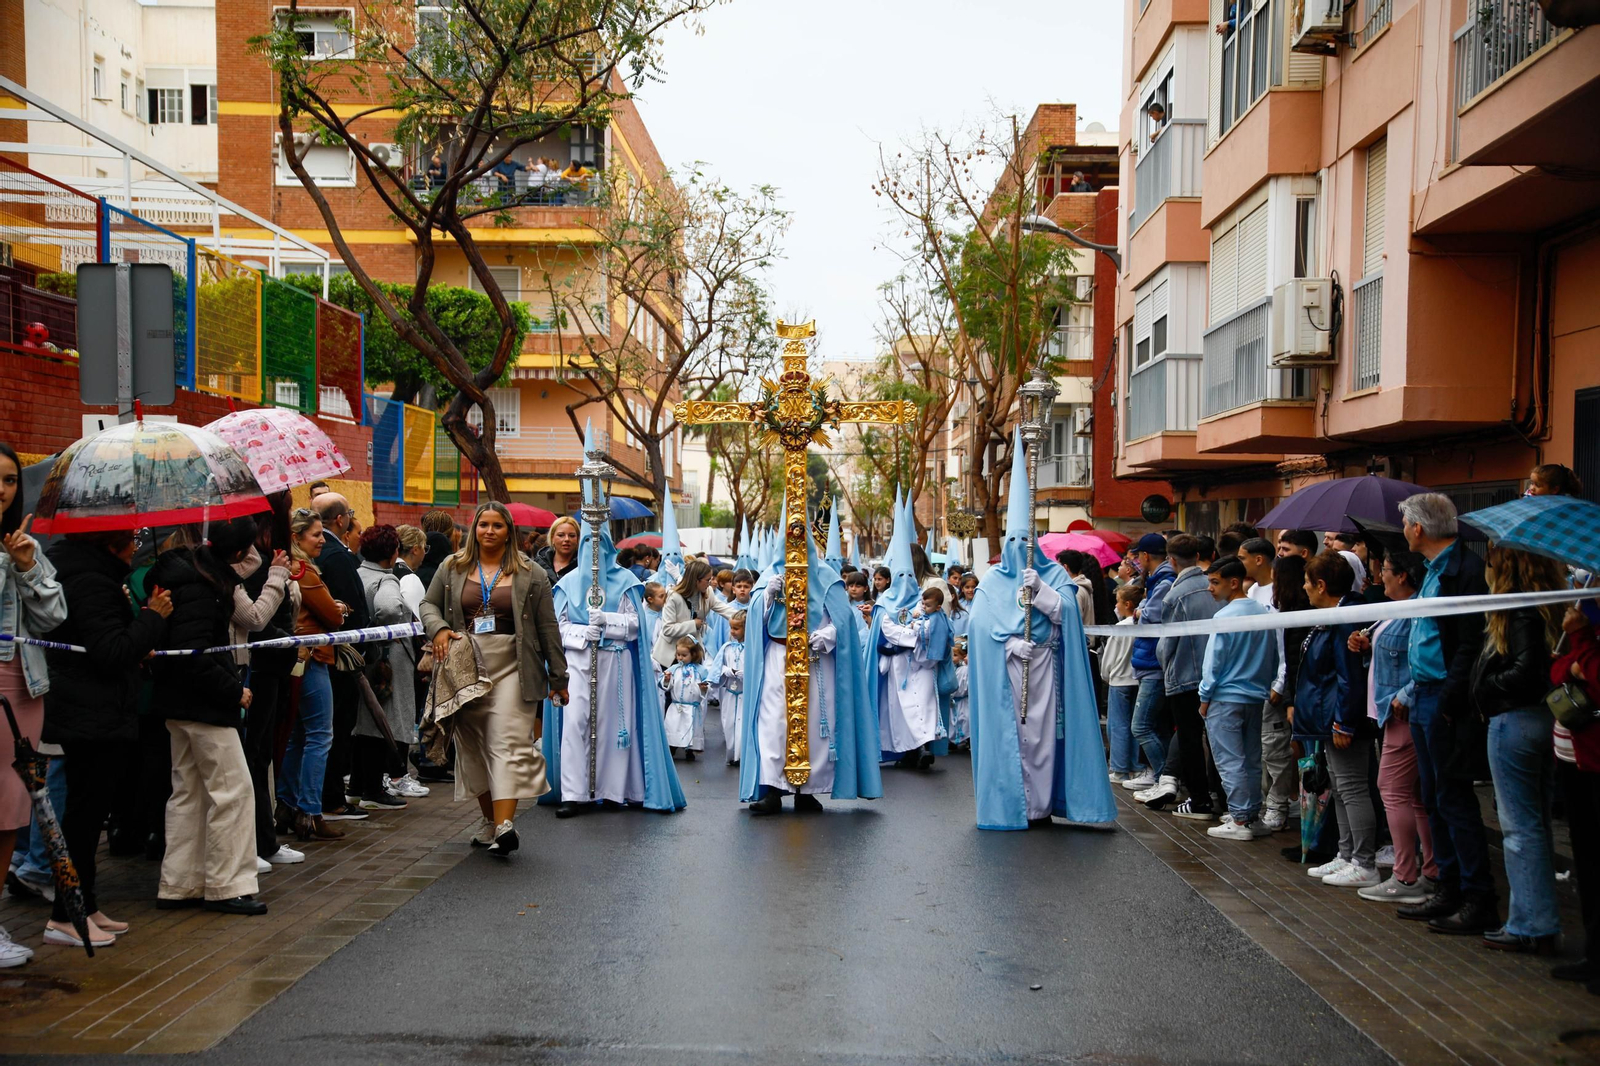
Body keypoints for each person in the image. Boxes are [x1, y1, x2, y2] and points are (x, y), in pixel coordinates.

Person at [968, 438, 1115, 830]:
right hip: (1009, 673)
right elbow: (978, 628)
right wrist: (1009, 644)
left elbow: (1069, 614)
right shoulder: (991, 582)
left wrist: (1046, 594)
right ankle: (1014, 803)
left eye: (1025, 541)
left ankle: (1043, 804)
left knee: (1044, 739)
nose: (1020, 548)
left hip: (1048, 668)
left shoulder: (1051, 575)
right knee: (1012, 738)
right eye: (1013, 541)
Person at [37, 528, 172, 948]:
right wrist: (152, 618)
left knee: (89, 814)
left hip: (95, 711)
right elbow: (110, 651)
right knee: (83, 816)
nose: (136, 546)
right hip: (91, 714)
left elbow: (107, 644)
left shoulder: (92, 574)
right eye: (129, 539)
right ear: (108, 543)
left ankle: (85, 903)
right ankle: (66, 914)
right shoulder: (91, 582)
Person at [421, 502, 569, 856]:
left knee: (509, 742)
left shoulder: (531, 572)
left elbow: (548, 627)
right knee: (474, 748)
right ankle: (489, 822)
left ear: (509, 532)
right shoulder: (452, 566)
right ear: (474, 529)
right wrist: (439, 628)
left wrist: (558, 676)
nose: (489, 531)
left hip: (515, 667)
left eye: (497, 526)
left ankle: (505, 825)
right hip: (467, 668)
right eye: (483, 525)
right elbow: (428, 605)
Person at [148, 521, 266, 915]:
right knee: (233, 791)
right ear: (237, 553)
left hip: (178, 703)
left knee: (189, 792)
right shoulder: (202, 586)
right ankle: (227, 884)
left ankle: (180, 882)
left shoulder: (188, 573)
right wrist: (234, 690)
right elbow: (195, 652)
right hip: (204, 704)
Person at [542, 496, 683, 817]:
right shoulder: (567, 584)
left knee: (615, 726)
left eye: (598, 542)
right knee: (576, 724)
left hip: (617, 666)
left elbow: (637, 626)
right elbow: (556, 629)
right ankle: (575, 793)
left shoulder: (627, 581)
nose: (593, 550)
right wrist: (582, 634)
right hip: (578, 666)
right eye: (587, 542)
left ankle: (613, 790)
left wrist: (610, 622)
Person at [1394, 493, 1497, 933]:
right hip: (1424, 694)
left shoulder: (1465, 573)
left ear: (1418, 529)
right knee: (1434, 798)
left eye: (1404, 525)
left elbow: (1469, 644)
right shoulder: (1434, 570)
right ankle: (1448, 886)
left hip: (1445, 698)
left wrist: (1453, 700)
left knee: (1454, 798)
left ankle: (1478, 896)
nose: (1403, 531)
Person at [739, 508, 877, 815]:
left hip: (816, 662)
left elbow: (843, 622)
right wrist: (765, 596)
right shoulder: (768, 577)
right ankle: (773, 789)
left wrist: (826, 636)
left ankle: (806, 790)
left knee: (814, 726)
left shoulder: (827, 578)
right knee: (773, 723)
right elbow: (754, 625)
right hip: (777, 657)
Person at [1471, 546, 1564, 953]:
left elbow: (1526, 672)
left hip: (1515, 721)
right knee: (1535, 824)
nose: (1486, 567)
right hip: (1541, 720)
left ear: (1505, 567)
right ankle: (1536, 918)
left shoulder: (1519, 612)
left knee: (1520, 827)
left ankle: (1531, 924)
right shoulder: (1549, 608)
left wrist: (1486, 688)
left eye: (1491, 561)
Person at [0, 443, 67, 966]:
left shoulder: (26, 544)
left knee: (12, 807)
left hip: (25, 688)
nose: (1, 490)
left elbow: (53, 617)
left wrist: (24, 567)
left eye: (7, 480)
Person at [1348, 553, 1438, 902]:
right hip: (1392, 712)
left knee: (1392, 789)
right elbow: (1392, 656)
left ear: (1402, 575)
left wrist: (1406, 695)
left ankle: (1406, 877)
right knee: (1414, 795)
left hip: (1403, 714)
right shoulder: (1394, 609)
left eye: (1384, 570)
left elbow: (1423, 662)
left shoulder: (1414, 611)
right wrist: (1366, 647)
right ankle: (1429, 870)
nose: (1378, 577)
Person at [1296, 552, 1379, 888]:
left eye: (1307, 582)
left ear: (1321, 584)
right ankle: (1346, 855)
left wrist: (1344, 721)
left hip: (1340, 719)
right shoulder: (1331, 616)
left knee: (1353, 787)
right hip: (1327, 716)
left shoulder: (1346, 617)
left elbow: (1349, 676)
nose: (1304, 588)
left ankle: (1364, 860)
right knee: (1340, 789)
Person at [280, 508, 351, 842]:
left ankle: (286, 805)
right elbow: (333, 618)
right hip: (311, 659)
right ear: (297, 538)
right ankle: (310, 811)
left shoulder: (285, 568)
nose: (323, 540)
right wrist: (338, 609)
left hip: (295, 661)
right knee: (320, 735)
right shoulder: (303, 571)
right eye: (316, 535)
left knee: (297, 736)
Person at [1197, 557, 1277, 841]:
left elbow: (1213, 663)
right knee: (1252, 759)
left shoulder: (1223, 617)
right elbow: (1274, 656)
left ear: (1233, 582)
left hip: (1225, 697)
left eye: (1214, 582)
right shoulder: (1263, 613)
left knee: (1230, 760)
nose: (1210, 588)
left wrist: (1204, 697)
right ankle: (1251, 816)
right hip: (1254, 696)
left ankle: (1241, 819)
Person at [1550, 604, 1600, 992]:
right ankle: (1594, 953)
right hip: (1574, 757)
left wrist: (1582, 641)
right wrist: (1573, 665)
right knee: (1586, 858)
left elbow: (1596, 678)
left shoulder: (1589, 634)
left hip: (1594, 760)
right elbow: (1556, 672)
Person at [311, 493, 369, 824]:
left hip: (328, 654)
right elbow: (351, 606)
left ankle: (324, 795)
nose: (319, 541)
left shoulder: (327, 556)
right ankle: (330, 797)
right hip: (337, 656)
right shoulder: (337, 557)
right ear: (342, 520)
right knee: (334, 726)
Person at [353, 526, 420, 810]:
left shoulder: (359, 573)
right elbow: (389, 609)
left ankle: (360, 785)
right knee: (384, 723)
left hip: (366, 658)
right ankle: (374, 788)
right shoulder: (386, 579)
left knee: (365, 725)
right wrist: (388, 631)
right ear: (391, 552)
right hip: (387, 661)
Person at [1157, 534, 1223, 820]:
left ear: (1171, 560)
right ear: (1198, 556)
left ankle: (1199, 800)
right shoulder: (1214, 587)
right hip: (1219, 672)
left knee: (1190, 738)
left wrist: (1166, 668)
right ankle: (1225, 798)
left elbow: (1166, 643)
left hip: (1185, 676)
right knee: (1221, 740)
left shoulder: (1173, 595)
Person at [1129, 534, 1178, 805]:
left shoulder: (1164, 581)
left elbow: (1154, 614)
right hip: (1151, 661)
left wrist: (1139, 612)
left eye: (1138, 556)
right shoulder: (1158, 579)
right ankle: (1162, 777)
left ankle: (1163, 779)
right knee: (1157, 726)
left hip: (1154, 663)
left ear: (1147, 556)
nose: (1137, 561)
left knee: (1141, 725)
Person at [652, 559, 742, 673]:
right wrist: (693, 624)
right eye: (707, 580)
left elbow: (724, 609)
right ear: (696, 580)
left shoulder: (708, 592)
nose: (710, 582)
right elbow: (667, 629)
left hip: (693, 653)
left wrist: (745, 617)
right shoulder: (673, 596)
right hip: (672, 655)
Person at [1100, 585, 1143, 784]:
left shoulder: (1120, 628)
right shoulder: (1143, 624)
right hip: (1137, 679)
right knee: (1135, 725)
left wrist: (1106, 674)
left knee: (1118, 725)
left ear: (1127, 604)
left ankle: (1119, 768)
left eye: (1118, 601)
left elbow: (1109, 659)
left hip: (1118, 680)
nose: (1116, 605)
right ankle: (1135, 765)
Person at [709, 612, 747, 766]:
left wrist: (746, 674)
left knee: (742, 724)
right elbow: (716, 667)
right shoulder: (727, 647)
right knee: (729, 722)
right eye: (731, 628)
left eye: (736, 628)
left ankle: (741, 755)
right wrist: (725, 670)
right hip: (730, 692)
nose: (732, 631)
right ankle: (731, 754)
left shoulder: (752, 648)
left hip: (745, 693)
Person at [662, 637, 710, 758]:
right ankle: (672, 746)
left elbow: (708, 684)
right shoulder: (674, 669)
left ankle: (690, 749)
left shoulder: (701, 671)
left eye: (684, 655)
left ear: (693, 655)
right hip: (676, 705)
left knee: (691, 727)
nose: (680, 658)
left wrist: (703, 688)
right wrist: (667, 680)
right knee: (673, 727)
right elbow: (666, 685)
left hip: (691, 706)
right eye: (678, 654)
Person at [535, 515, 581, 585]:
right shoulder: (539, 564)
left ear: (578, 539)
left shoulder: (583, 565)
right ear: (552, 538)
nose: (567, 539)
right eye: (561, 535)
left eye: (572, 535)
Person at [395, 524, 428, 617]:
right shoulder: (410, 580)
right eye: (425, 548)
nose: (425, 553)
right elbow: (415, 619)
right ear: (415, 550)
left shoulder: (386, 570)